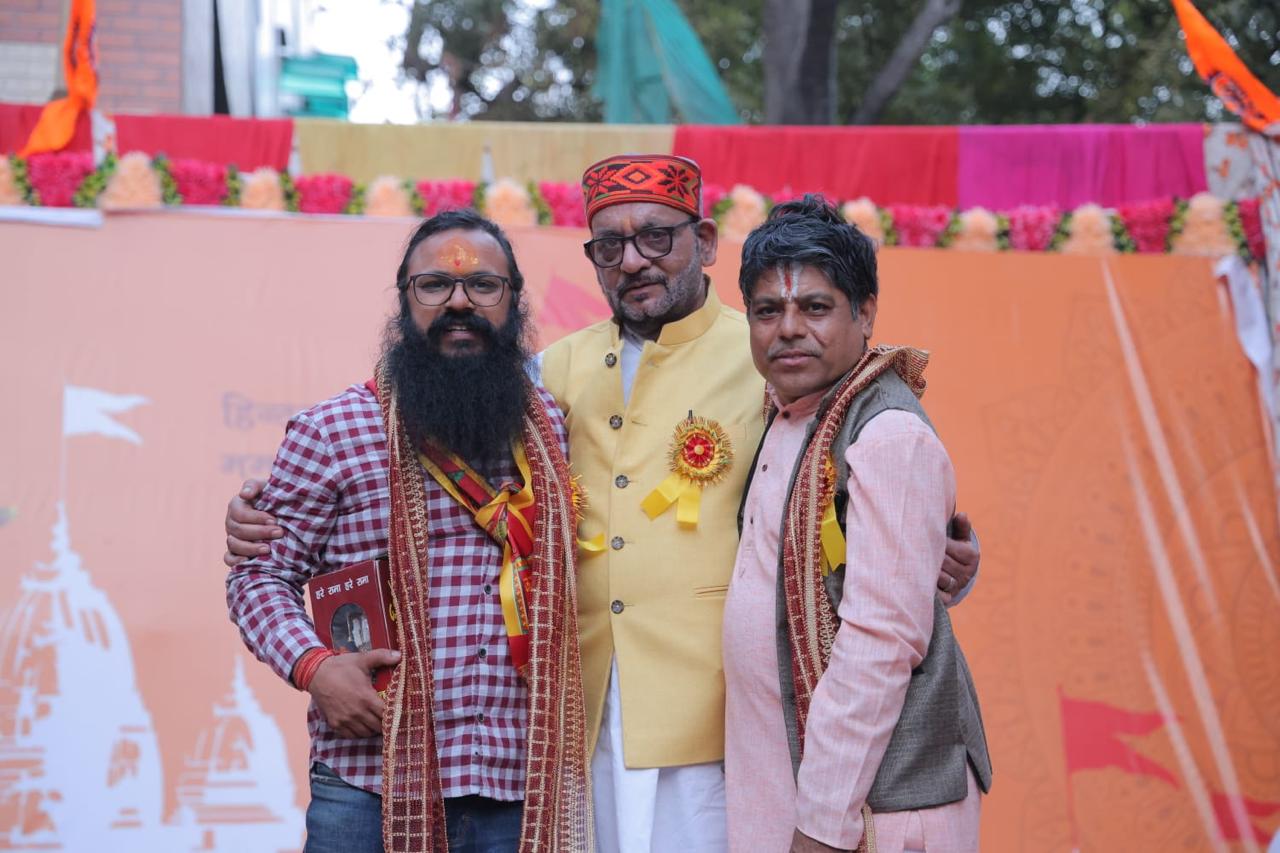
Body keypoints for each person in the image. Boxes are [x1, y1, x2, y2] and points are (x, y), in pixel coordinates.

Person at [225, 156, 982, 852]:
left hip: (713, 724)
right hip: (569, 732)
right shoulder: (549, 378)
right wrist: (263, 541)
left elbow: (851, 484)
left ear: (704, 242)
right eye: (610, 246)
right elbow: (272, 567)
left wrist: (943, 551)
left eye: (655, 237)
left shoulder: (765, 356)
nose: (634, 260)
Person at [225, 209, 591, 853]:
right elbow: (258, 577)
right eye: (435, 285)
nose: (459, 302)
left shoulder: (551, 430)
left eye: (483, 285)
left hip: (519, 785)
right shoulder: (332, 430)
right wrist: (316, 668)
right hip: (369, 782)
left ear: (513, 302)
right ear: (404, 300)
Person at [724, 196, 992, 853]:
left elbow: (880, 642)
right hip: (788, 781)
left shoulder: (886, 434)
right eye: (767, 310)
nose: (789, 329)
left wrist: (822, 824)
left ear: (865, 313)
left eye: (815, 307)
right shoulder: (790, 413)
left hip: (874, 805)